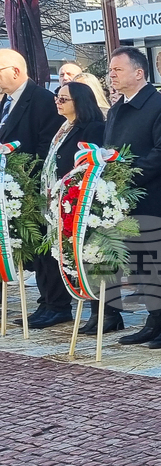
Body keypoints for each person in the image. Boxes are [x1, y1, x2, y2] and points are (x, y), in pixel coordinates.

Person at [105, 46, 161, 349]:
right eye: (111, 70)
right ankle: (154, 321)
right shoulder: (117, 108)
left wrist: (126, 176)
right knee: (142, 264)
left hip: (156, 196)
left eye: (118, 70)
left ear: (139, 73)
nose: (111, 75)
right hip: (125, 200)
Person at [0, 49, 69, 328]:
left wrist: (21, 173)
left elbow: (46, 148)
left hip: (35, 188)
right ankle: (46, 301)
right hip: (13, 190)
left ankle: (58, 304)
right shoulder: (5, 102)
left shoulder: (42, 101)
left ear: (15, 71)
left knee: (44, 248)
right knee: (32, 249)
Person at [46, 82, 109, 333]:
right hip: (63, 199)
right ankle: (93, 309)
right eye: (57, 98)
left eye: (64, 99)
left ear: (80, 102)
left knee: (93, 256)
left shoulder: (92, 128)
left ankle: (105, 313)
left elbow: (89, 164)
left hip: (83, 199)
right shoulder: (63, 127)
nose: (58, 103)